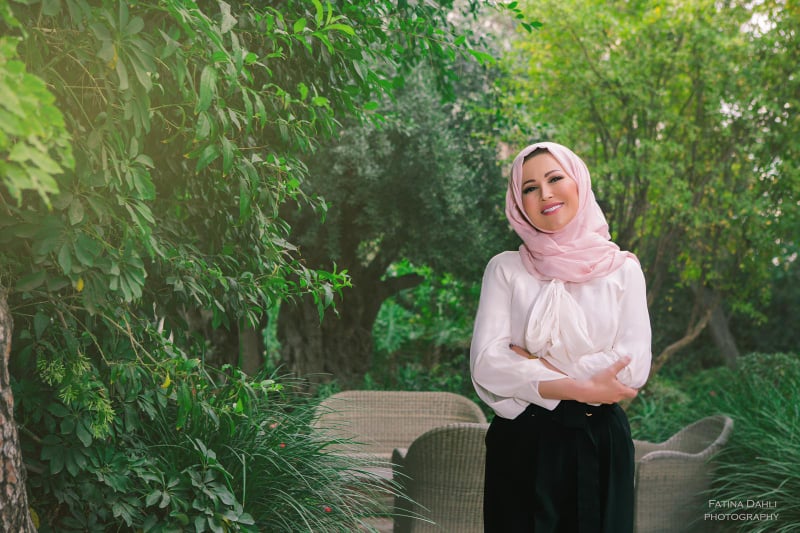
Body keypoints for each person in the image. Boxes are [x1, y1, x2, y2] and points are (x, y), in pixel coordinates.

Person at [470, 141, 651, 532]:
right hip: (522, 443)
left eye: (555, 179)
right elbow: (487, 364)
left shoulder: (623, 271)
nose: (545, 194)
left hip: (600, 441)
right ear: (519, 202)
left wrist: (534, 365)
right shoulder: (505, 269)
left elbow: (632, 366)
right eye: (529, 187)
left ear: (579, 183)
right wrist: (581, 386)